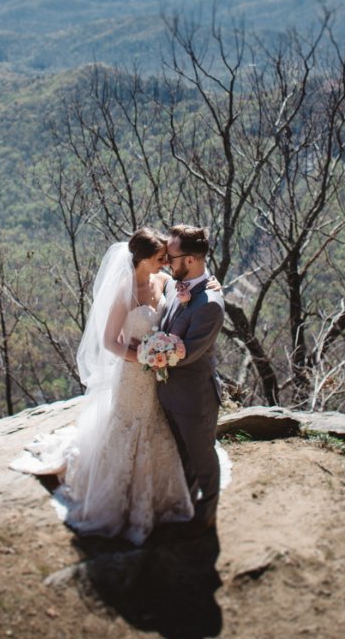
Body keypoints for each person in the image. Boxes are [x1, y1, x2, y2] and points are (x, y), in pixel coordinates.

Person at [11, 228, 201, 545]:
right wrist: (143, 357)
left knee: (157, 426)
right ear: (141, 259)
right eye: (160, 258)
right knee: (129, 427)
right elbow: (110, 342)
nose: (166, 261)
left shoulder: (164, 281)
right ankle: (120, 497)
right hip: (133, 375)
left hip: (158, 374)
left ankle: (160, 495)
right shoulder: (124, 292)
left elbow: (185, 297)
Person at [151, 224, 227, 529]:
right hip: (169, 395)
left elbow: (187, 352)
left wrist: (145, 356)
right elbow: (146, 269)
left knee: (203, 459)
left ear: (192, 260)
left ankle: (205, 517)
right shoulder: (174, 284)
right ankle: (184, 508)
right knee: (183, 458)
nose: (167, 263)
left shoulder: (210, 305)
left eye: (172, 257)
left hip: (195, 399)